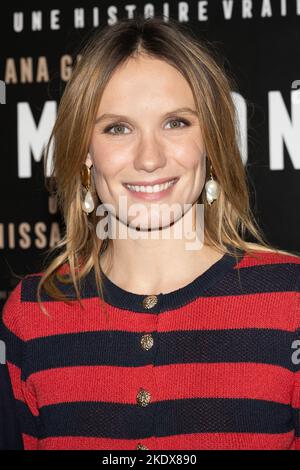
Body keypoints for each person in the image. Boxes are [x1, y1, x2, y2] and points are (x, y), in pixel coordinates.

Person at [0, 15, 299, 451]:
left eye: (175, 122)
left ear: (211, 142)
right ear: (85, 154)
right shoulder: (32, 315)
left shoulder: (289, 301)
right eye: (117, 128)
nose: (149, 158)